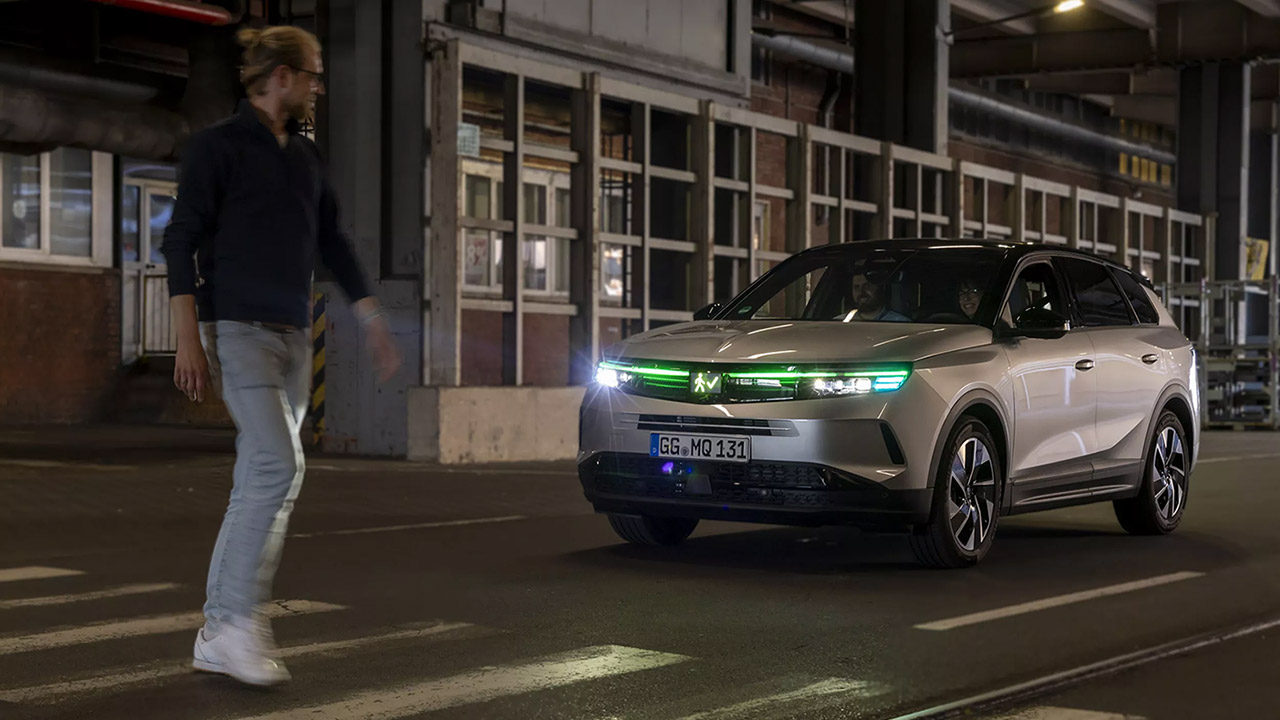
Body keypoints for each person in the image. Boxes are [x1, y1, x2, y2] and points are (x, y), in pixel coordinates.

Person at [161, 24, 401, 687]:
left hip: (295, 337)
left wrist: (372, 318)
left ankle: (217, 629)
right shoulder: (215, 147)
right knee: (276, 462)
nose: (320, 85)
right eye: (314, 73)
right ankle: (238, 623)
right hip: (236, 331)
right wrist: (187, 336)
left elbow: (334, 241)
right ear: (283, 76)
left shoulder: (306, 157)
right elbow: (180, 240)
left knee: (265, 480)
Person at [845, 272, 911, 322]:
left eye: (867, 285)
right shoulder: (840, 322)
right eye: (856, 287)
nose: (861, 291)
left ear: (879, 288)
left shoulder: (900, 322)